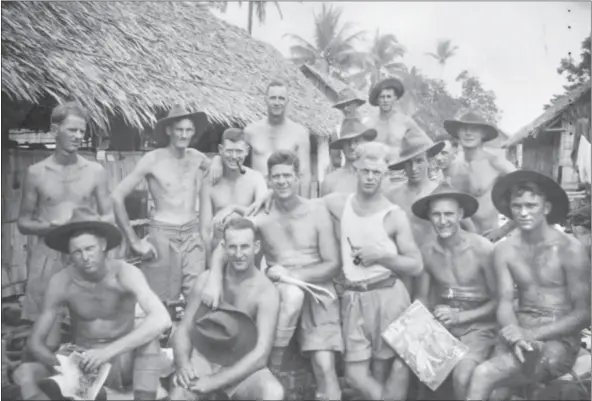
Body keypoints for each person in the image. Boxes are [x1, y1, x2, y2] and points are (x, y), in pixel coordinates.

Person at [204, 151, 343, 400]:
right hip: (283, 293)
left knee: (324, 366)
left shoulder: (317, 210)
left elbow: (333, 264)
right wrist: (214, 279)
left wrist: (291, 272)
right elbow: (227, 245)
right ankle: (272, 365)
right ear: (269, 179)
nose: (282, 181)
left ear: (298, 177)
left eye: (287, 175)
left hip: (320, 292)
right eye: (276, 177)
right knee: (291, 294)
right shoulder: (261, 216)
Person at [15, 208, 171, 400]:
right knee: (24, 373)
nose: (85, 257)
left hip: (122, 355)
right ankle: (117, 396)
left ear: (103, 245)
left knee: (150, 340)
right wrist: (60, 364)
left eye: (90, 249)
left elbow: (162, 319)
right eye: (77, 252)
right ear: (69, 254)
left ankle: (128, 396)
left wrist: (106, 352)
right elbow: (36, 342)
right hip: (83, 358)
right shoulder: (61, 281)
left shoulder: (124, 273)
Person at [467, 170, 591, 400]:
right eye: (517, 206)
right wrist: (517, 335)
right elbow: (504, 302)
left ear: (546, 208)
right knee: (495, 394)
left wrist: (532, 333)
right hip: (518, 329)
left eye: (531, 205)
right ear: (509, 209)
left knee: (483, 374)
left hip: (557, 338)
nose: (523, 213)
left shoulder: (570, 249)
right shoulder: (505, 250)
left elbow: (584, 314)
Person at [323, 142, 424, 400]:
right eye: (365, 171)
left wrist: (383, 256)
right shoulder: (338, 204)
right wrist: (265, 197)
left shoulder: (394, 215)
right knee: (355, 375)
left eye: (376, 172)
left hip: (388, 295)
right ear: (355, 171)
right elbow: (300, 205)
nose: (370, 177)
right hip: (354, 298)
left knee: (381, 370)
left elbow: (416, 265)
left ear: (385, 174)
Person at [17, 101, 113, 354]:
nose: (78, 137)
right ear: (54, 130)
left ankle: (82, 388)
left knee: (88, 331)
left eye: (82, 131)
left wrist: (88, 232)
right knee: (48, 339)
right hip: (48, 257)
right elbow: (24, 222)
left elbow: (109, 215)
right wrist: (51, 228)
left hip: (85, 257)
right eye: (72, 130)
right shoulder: (36, 173)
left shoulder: (95, 171)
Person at [170, 217, 284, 401]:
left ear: (256, 247)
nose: (238, 254)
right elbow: (183, 329)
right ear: (224, 246)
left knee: (273, 393)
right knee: (178, 395)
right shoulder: (207, 280)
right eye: (232, 247)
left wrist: (214, 382)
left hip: (239, 363)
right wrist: (183, 364)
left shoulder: (266, 292)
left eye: (245, 247)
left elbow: (261, 353)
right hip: (204, 358)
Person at [111, 104, 210, 304]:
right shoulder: (152, 159)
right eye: (179, 130)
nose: (184, 135)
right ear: (168, 131)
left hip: (192, 235)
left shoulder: (199, 159)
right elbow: (116, 196)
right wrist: (134, 241)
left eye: (188, 130)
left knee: (198, 300)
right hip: (163, 236)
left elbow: (225, 174)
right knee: (163, 303)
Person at [412, 183, 498, 400]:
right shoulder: (428, 251)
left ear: (460, 214)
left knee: (462, 374)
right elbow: (421, 298)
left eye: (449, 214)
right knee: (408, 366)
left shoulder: (482, 249)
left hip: (479, 328)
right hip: (445, 327)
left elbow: (501, 301)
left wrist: (460, 316)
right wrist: (421, 325)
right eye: (436, 215)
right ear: (429, 217)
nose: (443, 221)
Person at [208, 79, 312, 198]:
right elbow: (234, 154)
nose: (277, 102)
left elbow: (304, 176)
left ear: (287, 101)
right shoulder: (251, 131)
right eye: (273, 98)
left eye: (281, 98)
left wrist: (305, 208)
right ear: (266, 99)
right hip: (258, 198)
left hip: (287, 200)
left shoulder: (299, 133)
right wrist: (217, 160)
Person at [445, 111, 516, 240]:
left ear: (483, 134)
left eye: (474, 129)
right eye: (463, 128)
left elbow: (529, 194)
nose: (468, 132)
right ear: (457, 133)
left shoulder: (496, 163)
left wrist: (502, 231)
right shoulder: (453, 167)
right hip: (458, 240)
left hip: (487, 238)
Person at [198, 128, 267, 254]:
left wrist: (234, 208)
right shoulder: (209, 182)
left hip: (248, 252)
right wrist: (209, 263)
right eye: (229, 151)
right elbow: (205, 230)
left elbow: (263, 217)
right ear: (220, 150)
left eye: (239, 151)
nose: (234, 156)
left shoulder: (256, 179)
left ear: (247, 151)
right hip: (219, 249)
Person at [367, 76, 427, 165]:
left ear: (395, 98)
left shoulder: (405, 122)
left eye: (389, 97)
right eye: (382, 97)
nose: (385, 100)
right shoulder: (369, 123)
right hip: (373, 172)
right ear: (377, 100)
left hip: (397, 173)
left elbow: (425, 146)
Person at [321, 117, 377, 195]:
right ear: (342, 146)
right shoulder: (330, 181)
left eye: (357, 141)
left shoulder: (375, 179)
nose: (352, 146)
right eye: (347, 142)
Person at [329, 88, 368, 170]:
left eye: (349, 104)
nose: (346, 108)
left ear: (356, 104)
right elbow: (335, 159)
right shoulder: (337, 130)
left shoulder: (368, 124)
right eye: (342, 106)